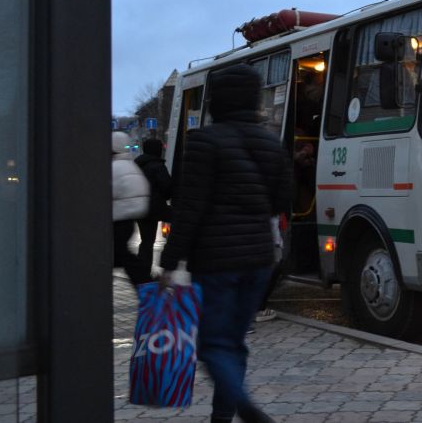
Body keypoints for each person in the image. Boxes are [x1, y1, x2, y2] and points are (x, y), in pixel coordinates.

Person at [158, 64, 292, 423]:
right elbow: (282, 200)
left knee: (213, 344)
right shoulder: (271, 142)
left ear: (217, 100)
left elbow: (191, 207)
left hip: (215, 261)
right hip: (260, 259)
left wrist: (170, 262)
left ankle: (244, 408)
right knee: (234, 343)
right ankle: (222, 415)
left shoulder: (204, 141)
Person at [112, 131, 151, 289]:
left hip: (117, 219)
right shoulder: (131, 165)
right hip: (129, 220)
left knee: (120, 256)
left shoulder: (114, 168)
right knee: (121, 255)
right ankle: (147, 282)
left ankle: (147, 283)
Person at [133, 137, 172, 282]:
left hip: (139, 207)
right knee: (181, 220)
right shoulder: (157, 166)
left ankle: (143, 272)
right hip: (155, 208)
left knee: (146, 241)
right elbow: (167, 188)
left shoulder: (137, 165)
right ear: (158, 150)